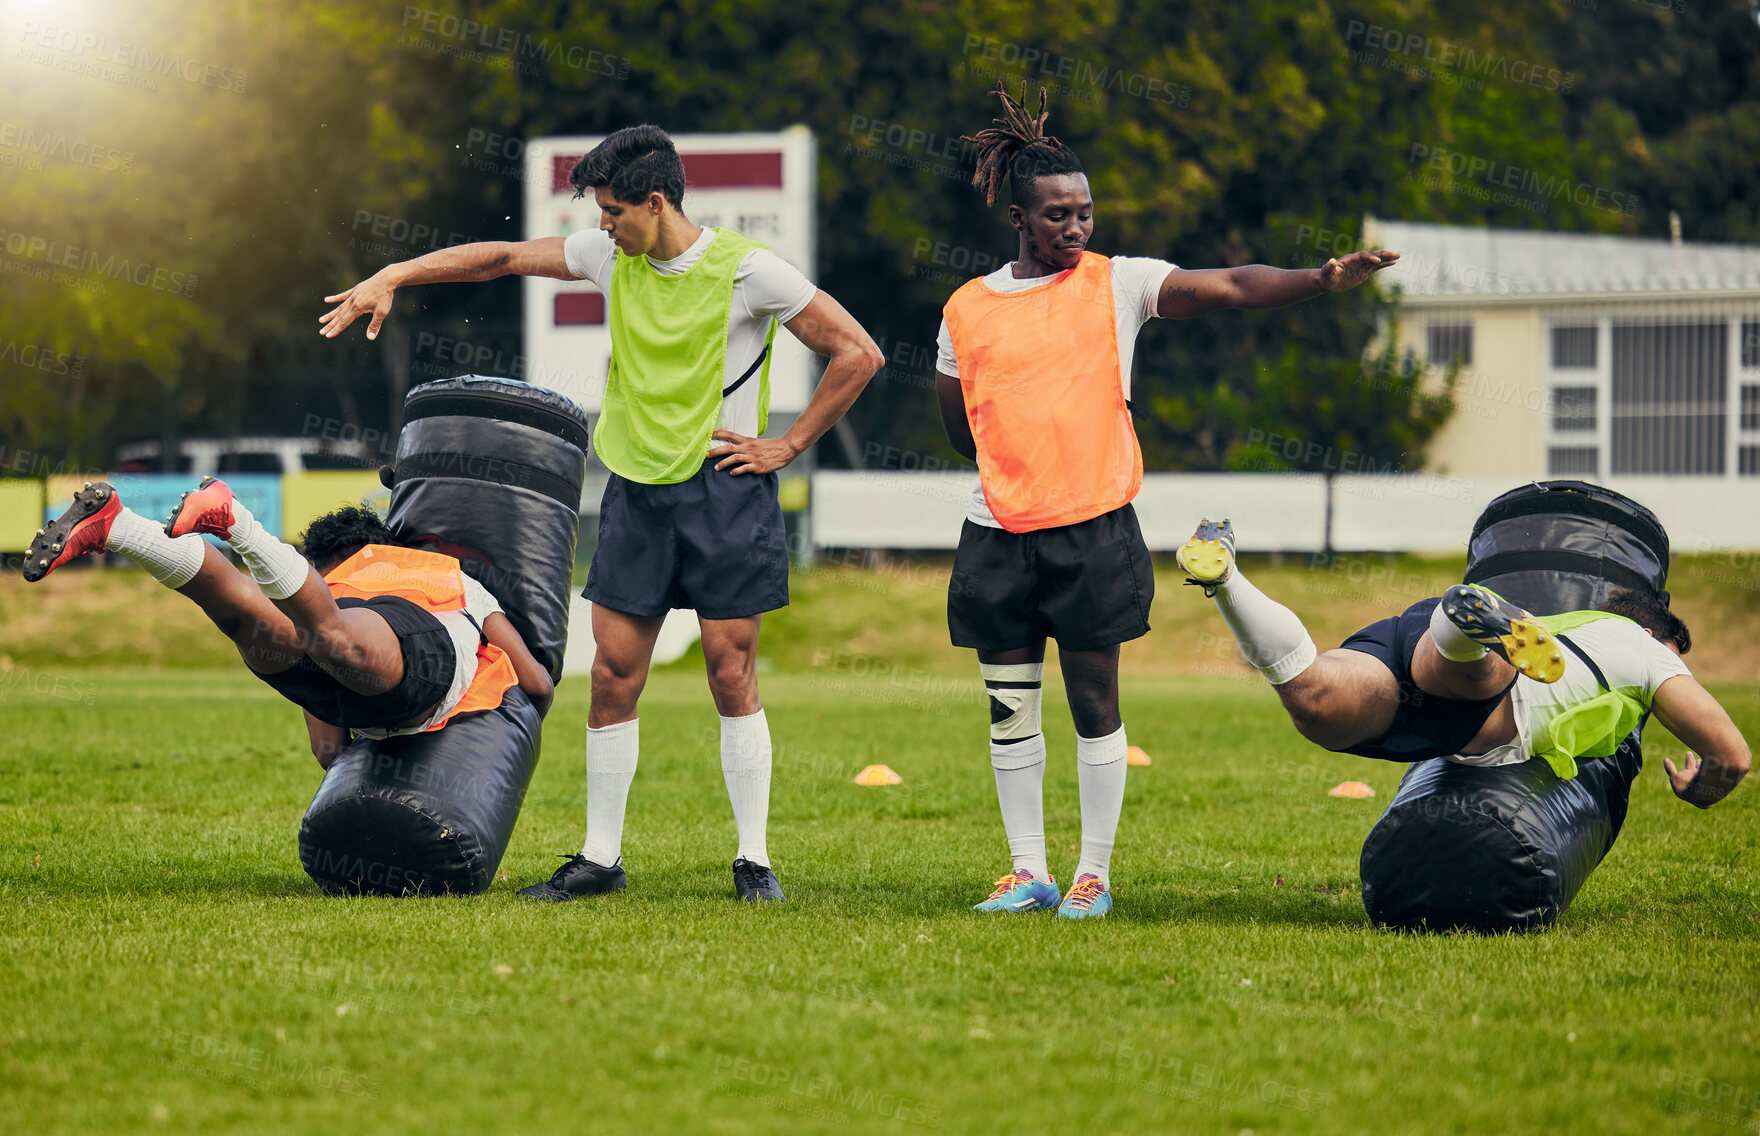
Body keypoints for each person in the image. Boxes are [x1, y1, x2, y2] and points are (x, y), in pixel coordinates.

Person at [319, 125, 883, 902]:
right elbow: (503, 257)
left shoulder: (748, 272)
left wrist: (786, 446)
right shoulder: (608, 255)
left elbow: (858, 351)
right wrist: (397, 271)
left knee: (731, 672)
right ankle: (601, 860)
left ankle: (754, 862)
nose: (604, 227)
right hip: (636, 495)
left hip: (724, 489)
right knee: (614, 676)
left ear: (657, 202)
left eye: (615, 211)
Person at [934, 83, 1398, 919]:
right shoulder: (967, 307)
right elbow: (956, 420)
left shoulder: (1120, 283)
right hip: (996, 533)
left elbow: (1228, 286)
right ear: (1017, 219)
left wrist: (1318, 280)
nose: (1075, 228)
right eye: (1056, 216)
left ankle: (1093, 877)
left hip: (1094, 532)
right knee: (1010, 709)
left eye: (1084, 213)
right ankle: (1026, 871)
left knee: (1094, 704)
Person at [1176, 518, 1751, 806]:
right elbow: (1732, 755)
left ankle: (1225, 574)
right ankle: (1466, 625)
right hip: (1477, 695)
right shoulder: (1647, 651)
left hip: (1411, 652)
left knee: (1315, 701)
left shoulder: (1583, 626)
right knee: (1478, 681)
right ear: (1656, 631)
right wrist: (1705, 787)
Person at [21, 478, 554, 766]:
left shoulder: (333, 586)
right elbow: (534, 681)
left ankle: (119, 526)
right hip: (415, 650)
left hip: (349, 659)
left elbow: (329, 749)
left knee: (240, 609)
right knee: (331, 638)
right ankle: (237, 523)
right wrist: (517, 735)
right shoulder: (446, 574)